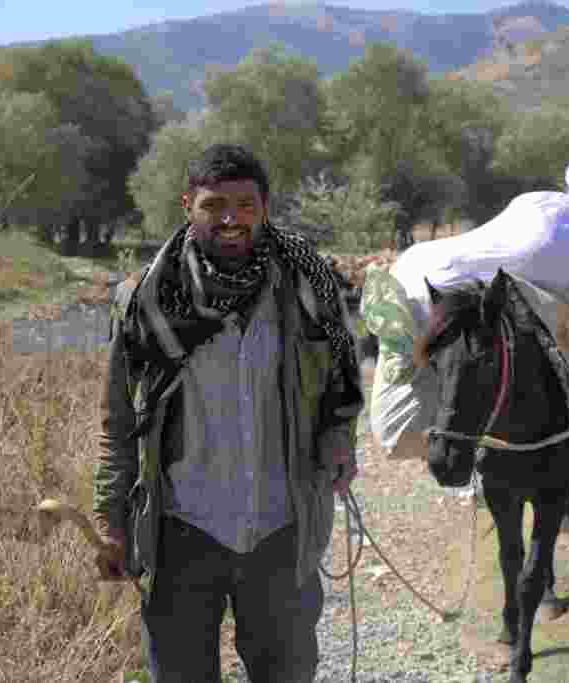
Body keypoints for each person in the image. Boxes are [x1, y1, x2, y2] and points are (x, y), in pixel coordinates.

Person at [92, 144, 364, 682]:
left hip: (282, 527)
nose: (230, 219)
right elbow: (119, 424)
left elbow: (339, 386)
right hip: (179, 532)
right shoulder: (144, 302)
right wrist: (111, 521)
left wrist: (339, 436)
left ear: (264, 207)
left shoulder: (307, 287)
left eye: (245, 204)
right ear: (187, 205)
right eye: (214, 204)